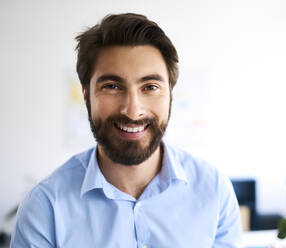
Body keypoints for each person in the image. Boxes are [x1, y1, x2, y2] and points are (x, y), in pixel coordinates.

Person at [11, 13, 242, 248]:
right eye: (111, 86)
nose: (133, 111)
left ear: (171, 94)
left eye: (150, 87)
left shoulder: (214, 191)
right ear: (85, 95)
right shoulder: (44, 207)